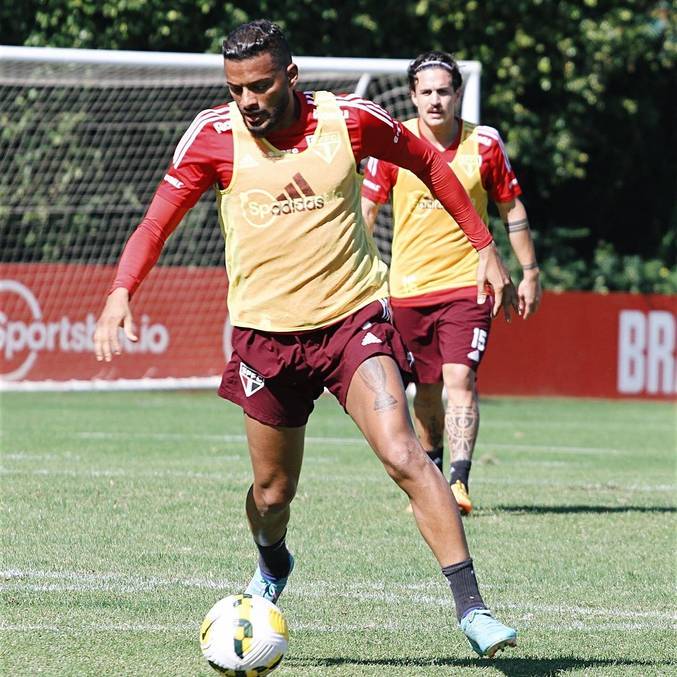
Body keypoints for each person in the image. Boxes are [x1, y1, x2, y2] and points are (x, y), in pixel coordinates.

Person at [94, 21, 518, 657]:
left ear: (290, 77)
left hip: (353, 321)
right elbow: (158, 220)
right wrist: (121, 289)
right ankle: (271, 562)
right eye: (237, 89)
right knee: (272, 492)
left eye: (261, 86)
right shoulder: (214, 137)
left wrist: (485, 245)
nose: (249, 101)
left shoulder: (349, 121)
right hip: (266, 339)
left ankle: (473, 610)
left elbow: (427, 159)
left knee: (405, 452)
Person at [362, 50, 541, 516]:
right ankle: (435, 474)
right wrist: (359, 275)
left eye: (445, 91)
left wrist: (530, 272)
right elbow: (366, 215)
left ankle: (459, 482)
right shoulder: (392, 144)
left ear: (458, 93)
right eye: (427, 92)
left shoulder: (483, 144)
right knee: (424, 388)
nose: (436, 100)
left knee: (459, 378)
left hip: (469, 283)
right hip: (407, 288)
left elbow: (511, 208)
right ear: (412, 96)